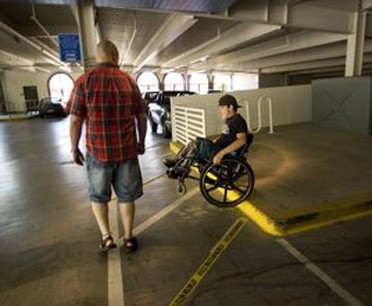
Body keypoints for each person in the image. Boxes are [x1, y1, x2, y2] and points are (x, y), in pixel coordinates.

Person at [67, 40, 147, 253]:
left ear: (98, 56)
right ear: (115, 55)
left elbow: (75, 120)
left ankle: (107, 237)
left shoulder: (84, 81)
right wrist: (142, 141)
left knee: (98, 196)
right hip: (127, 151)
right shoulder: (129, 81)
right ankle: (129, 237)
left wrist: (74, 148)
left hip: (98, 152)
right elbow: (141, 115)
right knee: (127, 196)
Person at [164, 94, 248, 171]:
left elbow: (242, 140)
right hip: (218, 148)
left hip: (223, 153)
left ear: (231, 107)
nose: (220, 110)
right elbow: (224, 136)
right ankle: (177, 162)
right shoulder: (230, 120)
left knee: (196, 145)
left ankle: (182, 167)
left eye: (222, 107)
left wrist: (221, 154)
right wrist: (214, 141)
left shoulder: (238, 121)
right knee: (194, 142)